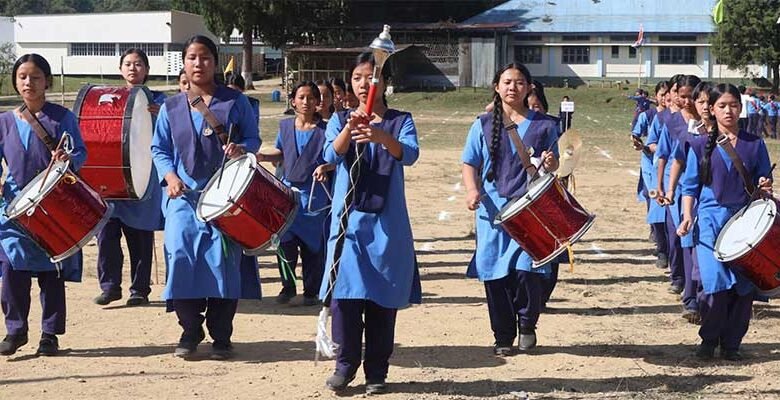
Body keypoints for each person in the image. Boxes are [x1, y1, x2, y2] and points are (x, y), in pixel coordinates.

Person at [151, 35, 261, 360]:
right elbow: (159, 148)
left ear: (215, 61)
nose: (198, 64)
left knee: (224, 264)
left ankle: (221, 335)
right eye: (192, 57)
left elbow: (253, 137)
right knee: (182, 259)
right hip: (182, 199)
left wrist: (243, 148)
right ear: (183, 62)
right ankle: (189, 329)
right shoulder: (170, 107)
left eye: (205, 57)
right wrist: (169, 177)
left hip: (226, 198)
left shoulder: (235, 101)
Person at [320, 52, 421, 395]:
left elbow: (409, 154)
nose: (364, 84)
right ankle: (344, 366)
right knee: (345, 300)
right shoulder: (339, 119)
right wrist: (350, 128)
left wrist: (381, 137)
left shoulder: (400, 120)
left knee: (382, 300)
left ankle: (377, 371)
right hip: (348, 226)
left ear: (383, 82)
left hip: (387, 226)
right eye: (357, 77)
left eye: (370, 76)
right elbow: (330, 156)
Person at [462, 63, 560, 357]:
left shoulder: (546, 125)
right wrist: (472, 190)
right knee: (495, 278)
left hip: (532, 212)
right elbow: (470, 163)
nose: (512, 87)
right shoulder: (481, 124)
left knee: (527, 273)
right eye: (507, 82)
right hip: (493, 215)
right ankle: (503, 335)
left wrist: (553, 164)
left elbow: (559, 164)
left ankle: (528, 324)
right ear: (496, 86)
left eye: (519, 82)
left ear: (529, 87)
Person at [0, 54, 88, 356]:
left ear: (47, 81)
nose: (28, 82)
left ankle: (50, 333)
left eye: (35, 77)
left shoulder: (62, 117)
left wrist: (69, 159)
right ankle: (16, 329)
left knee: (52, 273)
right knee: (12, 269)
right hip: (14, 208)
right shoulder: (4, 121)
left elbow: (81, 153)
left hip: (54, 206)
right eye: (23, 76)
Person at [678, 83, 773, 361]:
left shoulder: (755, 145)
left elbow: (763, 179)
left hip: (744, 223)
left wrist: (764, 185)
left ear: (740, 108)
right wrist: (686, 216)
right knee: (715, 283)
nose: (728, 110)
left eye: (733, 105)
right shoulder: (699, 145)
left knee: (743, 287)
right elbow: (689, 187)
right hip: (709, 222)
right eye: (722, 105)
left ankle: (732, 343)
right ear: (712, 109)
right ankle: (709, 339)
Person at [93, 48, 165, 307]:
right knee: (107, 236)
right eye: (128, 64)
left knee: (140, 238)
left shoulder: (161, 101)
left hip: (143, 179)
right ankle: (110, 287)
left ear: (146, 70)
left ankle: (139, 290)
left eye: (138, 64)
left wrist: (160, 116)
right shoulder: (109, 99)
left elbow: (170, 135)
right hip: (112, 179)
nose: (133, 68)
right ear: (120, 69)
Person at [256, 81, 333, 306]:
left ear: (318, 102)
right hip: (287, 196)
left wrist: (327, 168)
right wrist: (262, 157)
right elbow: (281, 153)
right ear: (293, 101)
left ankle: (311, 290)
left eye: (311, 97)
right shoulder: (285, 127)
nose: (306, 102)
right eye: (301, 97)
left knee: (313, 247)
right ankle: (288, 287)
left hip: (315, 196)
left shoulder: (327, 130)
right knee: (284, 243)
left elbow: (336, 157)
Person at [656, 75, 702, 300]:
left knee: (697, 241)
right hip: (681, 189)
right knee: (681, 238)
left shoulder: (709, 122)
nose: (687, 101)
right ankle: (683, 284)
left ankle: (696, 293)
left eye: (691, 96)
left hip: (706, 189)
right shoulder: (672, 122)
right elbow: (667, 157)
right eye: (682, 96)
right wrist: (664, 187)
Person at [631, 81, 668, 269]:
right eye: (662, 93)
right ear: (656, 96)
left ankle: (666, 243)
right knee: (651, 196)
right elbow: (635, 135)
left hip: (671, 165)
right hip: (650, 163)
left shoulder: (677, 117)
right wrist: (641, 144)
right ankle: (659, 238)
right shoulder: (648, 115)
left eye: (668, 93)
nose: (665, 97)